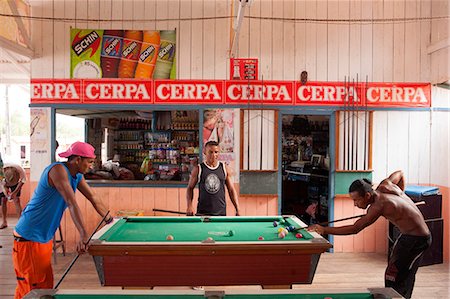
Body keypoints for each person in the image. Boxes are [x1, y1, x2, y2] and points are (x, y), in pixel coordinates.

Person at [12, 141, 113, 299]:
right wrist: (83, 234)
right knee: (32, 289)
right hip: (29, 236)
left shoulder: (77, 176)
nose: (92, 166)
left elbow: (93, 197)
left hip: (44, 237)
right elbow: (71, 203)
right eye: (90, 161)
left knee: (45, 287)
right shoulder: (58, 170)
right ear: (77, 159)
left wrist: (110, 220)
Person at [308, 170, 431, 299]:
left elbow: (355, 228)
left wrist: (324, 230)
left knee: (396, 275)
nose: (355, 204)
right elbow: (400, 173)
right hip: (408, 235)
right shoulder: (385, 185)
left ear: (367, 195)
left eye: (356, 200)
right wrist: (402, 194)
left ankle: (398, 297)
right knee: (394, 273)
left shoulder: (378, 206)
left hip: (417, 239)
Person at [186, 140, 240, 217]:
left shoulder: (224, 168)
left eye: (216, 152)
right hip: (203, 213)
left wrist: (238, 208)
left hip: (221, 213)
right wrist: (189, 206)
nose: (213, 155)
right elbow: (190, 188)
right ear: (205, 152)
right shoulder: (198, 169)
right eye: (210, 152)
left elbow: (231, 190)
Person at [1, 163, 27, 229]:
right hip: (4, 181)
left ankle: (20, 223)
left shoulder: (20, 170)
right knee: (3, 200)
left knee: (16, 200)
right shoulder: (1, 170)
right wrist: (5, 191)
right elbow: (2, 185)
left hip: (16, 182)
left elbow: (23, 181)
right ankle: (4, 222)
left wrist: (15, 192)